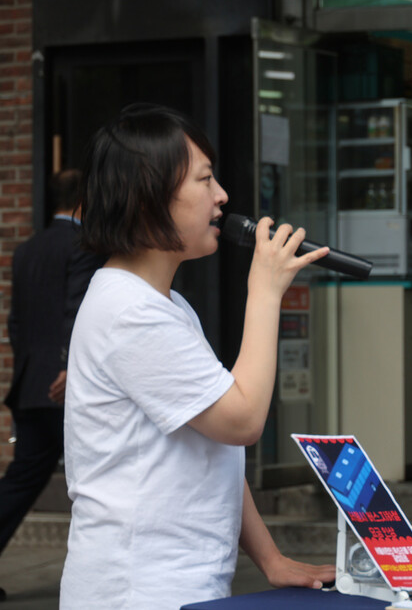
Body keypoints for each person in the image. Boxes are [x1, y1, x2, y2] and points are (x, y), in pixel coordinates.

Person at [59, 104, 335, 609]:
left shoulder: (165, 304)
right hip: (138, 589)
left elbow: (214, 446)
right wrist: (266, 291)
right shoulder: (130, 312)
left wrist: (271, 559)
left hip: (177, 583)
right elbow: (244, 420)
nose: (222, 197)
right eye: (205, 180)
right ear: (148, 197)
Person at [0, 170, 104, 602]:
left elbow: (16, 322)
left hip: (30, 384)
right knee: (99, 480)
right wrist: (67, 366)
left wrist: (33, 369)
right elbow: (76, 308)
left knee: (22, 478)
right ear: (84, 202)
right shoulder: (83, 245)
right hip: (65, 386)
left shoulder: (27, 249)